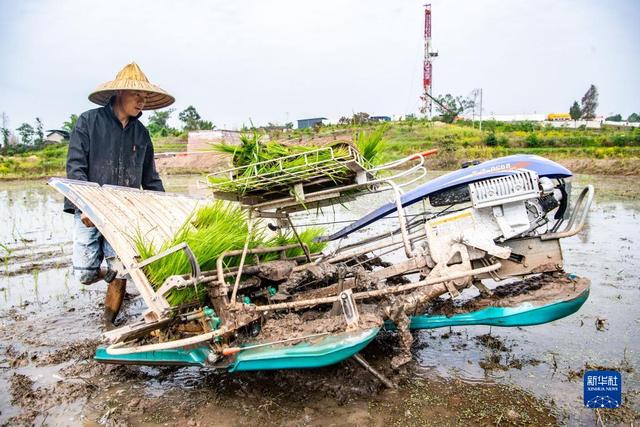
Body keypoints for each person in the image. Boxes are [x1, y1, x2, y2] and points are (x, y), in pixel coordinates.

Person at [64, 62, 174, 329]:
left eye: (146, 97)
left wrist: (165, 210)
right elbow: (76, 167)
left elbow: (150, 178)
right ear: (120, 93)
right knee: (86, 273)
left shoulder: (142, 133)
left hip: (124, 212)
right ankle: (104, 274)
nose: (142, 101)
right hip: (90, 210)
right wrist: (86, 207)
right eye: (138, 95)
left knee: (121, 270)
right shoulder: (89, 122)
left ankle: (108, 323)